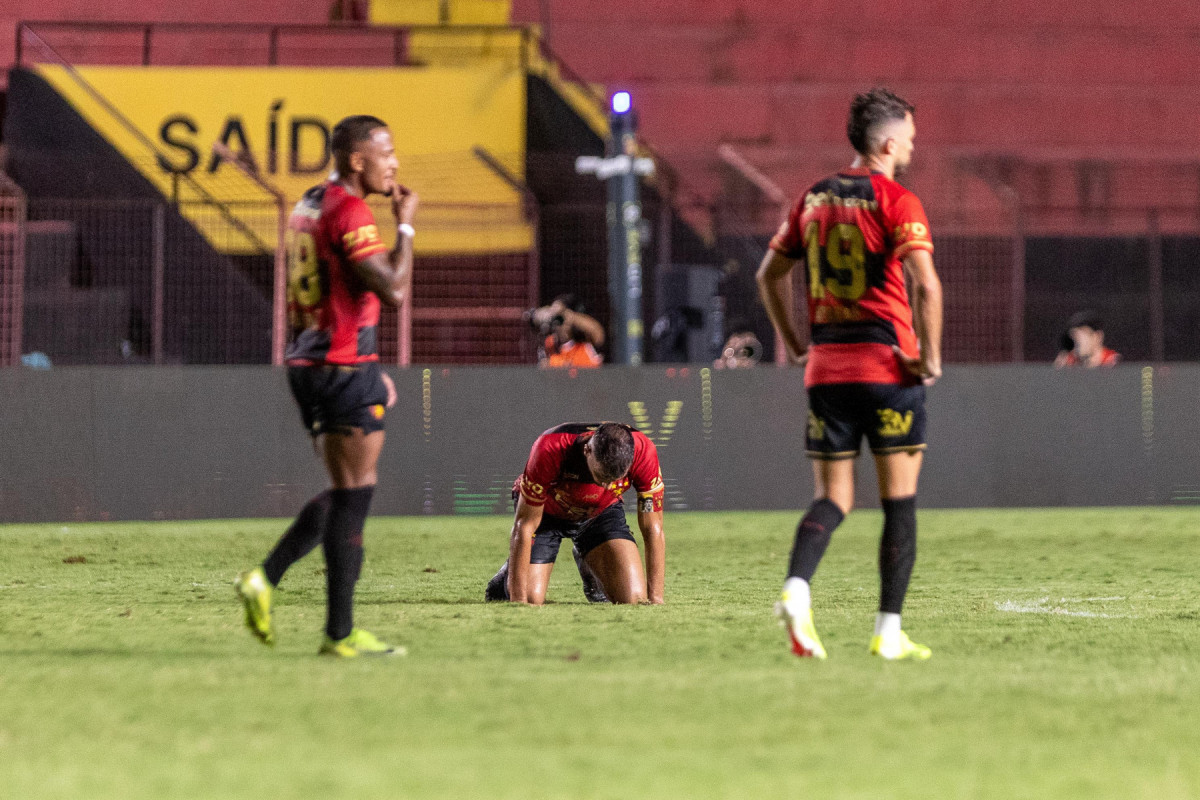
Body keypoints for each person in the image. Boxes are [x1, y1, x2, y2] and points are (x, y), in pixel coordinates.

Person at [756, 87, 943, 661]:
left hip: (827, 370)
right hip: (887, 366)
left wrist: (795, 345)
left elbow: (769, 275)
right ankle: (888, 632)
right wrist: (929, 357)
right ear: (887, 144)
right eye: (908, 138)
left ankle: (796, 588)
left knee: (833, 499)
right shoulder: (897, 200)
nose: (912, 147)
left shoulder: (812, 198)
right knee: (899, 504)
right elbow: (926, 285)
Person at [234, 115, 418, 658]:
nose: (395, 163)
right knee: (354, 496)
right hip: (342, 367)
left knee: (346, 489)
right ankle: (333, 628)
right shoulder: (351, 210)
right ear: (358, 160)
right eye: (386, 152)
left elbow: (335, 291)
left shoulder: (309, 202)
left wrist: (368, 363)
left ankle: (279, 589)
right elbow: (394, 291)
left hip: (311, 362)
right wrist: (406, 227)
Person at [484, 422, 665, 605]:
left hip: (600, 514)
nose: (608, 486)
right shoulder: (550, 447)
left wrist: (656, 599)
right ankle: (505, 580)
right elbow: (525, 525)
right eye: (602, 477)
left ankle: (589, 561)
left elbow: (653, 528)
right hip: (546, 514)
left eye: (615, 479)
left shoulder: (644, 451)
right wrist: (518, 599)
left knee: (633, 598)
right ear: (587, 450)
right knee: (531, 598)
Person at [529, 294, 605, 368]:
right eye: (556, 318)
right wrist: (545, 314)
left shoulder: (584, 341)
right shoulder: (551, 343)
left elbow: (597, 334)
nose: (559, 323)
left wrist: (569, 316)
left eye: (560, 317)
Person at [1054, 311, 1121, 368]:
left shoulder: (1114, 362)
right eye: (1074, 337)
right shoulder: (1069, 361)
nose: (1076, 342)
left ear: (1097, 337)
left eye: (1081, 336)